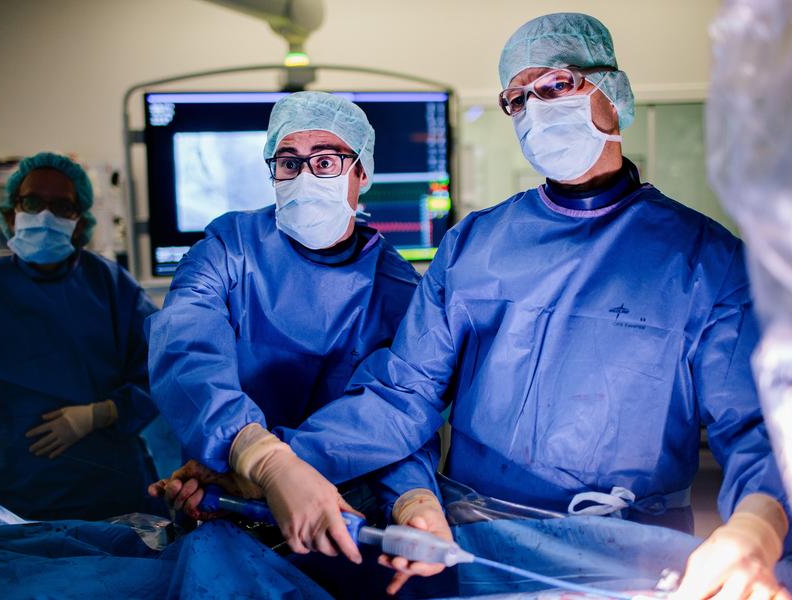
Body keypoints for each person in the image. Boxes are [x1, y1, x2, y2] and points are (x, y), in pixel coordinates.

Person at [256, 13, 792, 599]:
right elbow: (402, 396)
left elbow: (759, 428)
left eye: (557, 85)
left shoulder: (703, 261)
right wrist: (269, 460)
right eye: (517, 98)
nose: (537, 108)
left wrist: (754, 528)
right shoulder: (475, 246)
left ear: (611, 89)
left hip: (632, 559)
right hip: (475, 546)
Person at [145, 92, 443, 577]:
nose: (305, 177)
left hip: (341, 516)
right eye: (289, 162)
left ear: (361, 174)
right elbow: (184, 344)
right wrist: (256, 455)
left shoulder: (398, 294)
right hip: (225, 503)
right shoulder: (229, 248)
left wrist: (413, 498)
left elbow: (399, 416)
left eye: (326, 161)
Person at [0, 152, 163, 520]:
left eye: (61, 207)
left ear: (80, 221)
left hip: (111, 489)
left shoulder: (111, 285)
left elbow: (161, 369)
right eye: (33, 202)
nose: (45, 216)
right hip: (16, 496)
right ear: (10, 213)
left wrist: (101, 413)